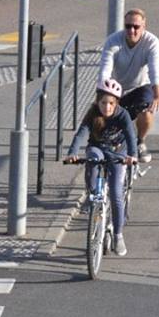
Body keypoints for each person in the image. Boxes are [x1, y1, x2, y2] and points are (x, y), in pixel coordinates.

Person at [64, 78, 138, 257]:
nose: (107, 107)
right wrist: (72, 152)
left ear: (116, 103)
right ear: (97, 101)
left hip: (119, 151)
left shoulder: (122, 115)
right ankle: (93, 196)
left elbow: (130, 135)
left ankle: (118, 235)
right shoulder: (92, 114)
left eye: (111, 103)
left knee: (115, 193)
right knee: (92, 159)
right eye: (103, 103)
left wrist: (132, 156)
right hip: (98, 148)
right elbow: (81, 134)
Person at [97, 8, 159, 163]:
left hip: (141, 86)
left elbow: (154, 70)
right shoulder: (113, 41)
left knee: (146, 111)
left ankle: (140, 142)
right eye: (128, 26)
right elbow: (105, 69)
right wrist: (101, 96)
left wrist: (158, 95)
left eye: (136, 27)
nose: (131, 30)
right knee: (106, 124)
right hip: (117, 88)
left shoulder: (151, 42)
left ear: (143, 27)